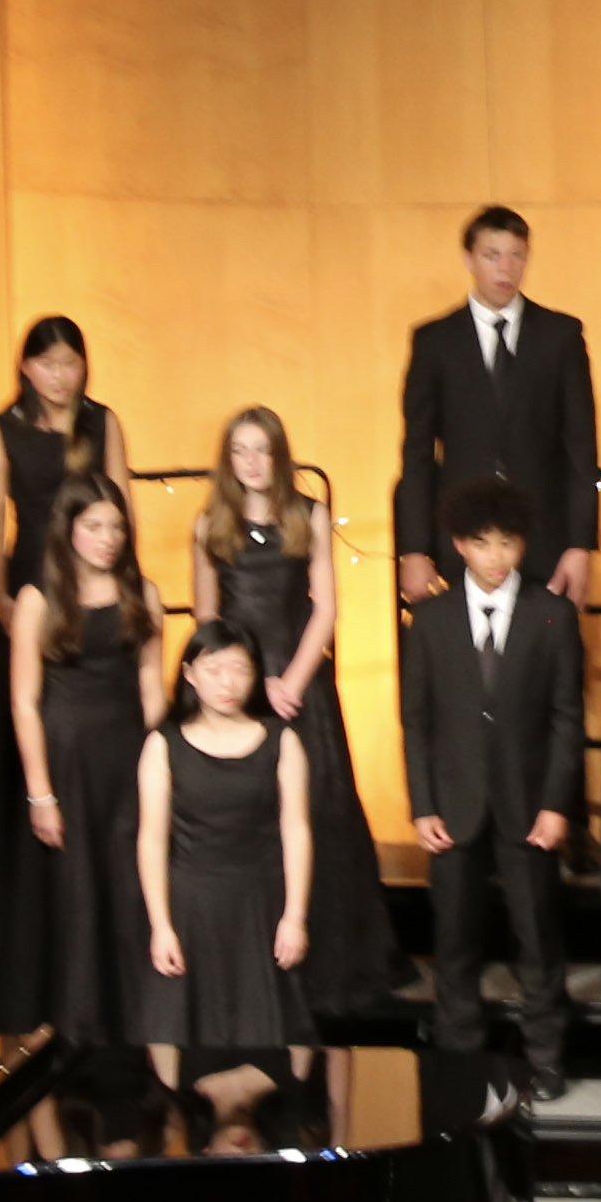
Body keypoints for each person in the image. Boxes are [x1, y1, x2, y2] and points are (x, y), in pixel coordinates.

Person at [192, 404, 387, 1022]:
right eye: (240, 451)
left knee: (319, 813)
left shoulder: (310, 514)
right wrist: (238, 689)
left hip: (301, 684)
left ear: (280, 455)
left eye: (263, 450)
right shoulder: (208, 525)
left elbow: (325, 608)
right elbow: (207, 624)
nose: (252, 462)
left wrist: (292, 682)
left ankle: (325, 957)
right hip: (236, 687)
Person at [402, 477, 588, 1112]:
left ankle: (545, 1058)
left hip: (528, 806)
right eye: (481, 543)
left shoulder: (552, 614)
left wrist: (558, 803)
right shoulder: (427, 620)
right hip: (452, 807)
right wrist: (422, 804)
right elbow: (417, 721)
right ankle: (459, 1052)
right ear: (459, 545)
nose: (494, 556)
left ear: (521, 544)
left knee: (538, 936)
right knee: (454, 939)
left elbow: (568, 718)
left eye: (506, 542)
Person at [136, 622, 314, 1145]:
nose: (228, 682)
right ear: (190, 674)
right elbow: (151, 841)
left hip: (262, 907)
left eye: (240, 668)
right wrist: (160, 926)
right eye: (215, 669)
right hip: (192, 910)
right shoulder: (163, 745)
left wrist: (295, 917)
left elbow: (297, 831)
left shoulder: (282, 741)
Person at [10, 479, 167, 1061]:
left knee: (130, 882)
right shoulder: (38, 599)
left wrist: (160, 761)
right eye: (94, 526)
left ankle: (137, 1019)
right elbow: (24, 701)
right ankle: (79, 1027)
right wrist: (39, 793)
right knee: (77, 889)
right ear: (68, 530)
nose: (107, 539)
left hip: (128, 751)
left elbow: (152, 686)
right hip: (67, 760)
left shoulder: (142, 593)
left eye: (116, 527)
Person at [394, 207, 601, 617]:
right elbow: (417, 453)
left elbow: (582, 449)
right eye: (492, 255)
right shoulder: (435, 340)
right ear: (469, 258)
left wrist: (580, 544)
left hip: (543, 539)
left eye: (517, 255)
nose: (505, 268)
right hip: (460, 539)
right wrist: (414, 550)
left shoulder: (560, 336)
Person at [0, 315, 133, 602]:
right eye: (47, 364)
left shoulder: (102, 421)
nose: (58, 376)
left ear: (84, 367)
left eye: (69, 363)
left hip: (94, 571)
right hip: (31, 568)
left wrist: (129, 577)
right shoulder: (3, 429)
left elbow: (123, 507)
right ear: (26, 367)